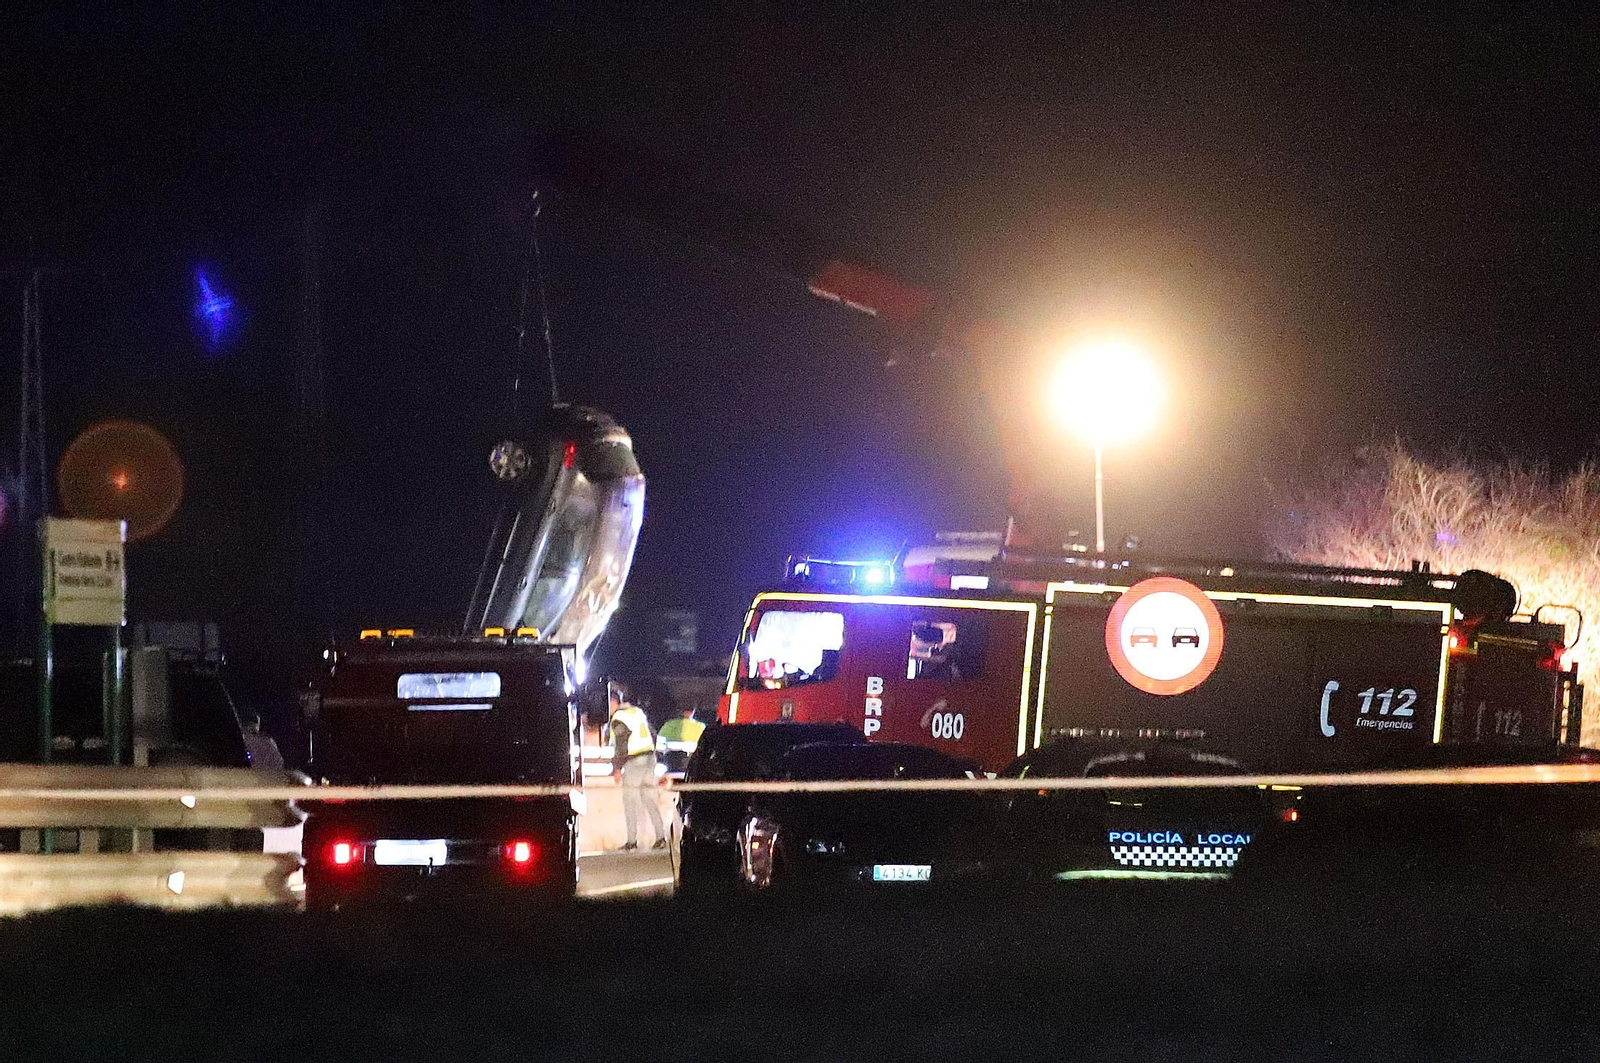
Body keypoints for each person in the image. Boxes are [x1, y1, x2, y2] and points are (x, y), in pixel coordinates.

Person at [609, 682, 666, 850]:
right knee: (648, 799)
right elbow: (653, 733)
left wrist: (616, 769)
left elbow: (621, 745)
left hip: (635, 762)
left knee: (629, 801)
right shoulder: (637, 712)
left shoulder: (619, 718)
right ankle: (661, 837)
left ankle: (631, 841)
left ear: (613, 702)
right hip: (650, 758)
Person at [656, 706, 707, 777]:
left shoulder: (669, 724)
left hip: (671, 760)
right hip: (689, 761)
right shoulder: (700, 726)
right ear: (693, 712)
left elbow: (659, 746)